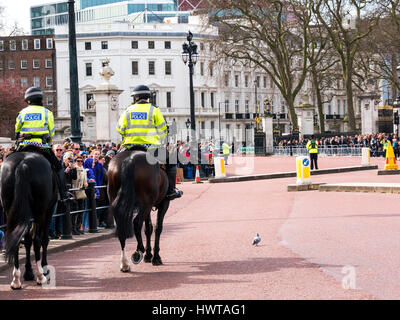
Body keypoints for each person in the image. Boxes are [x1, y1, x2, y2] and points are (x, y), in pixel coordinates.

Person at [116, 84, 182, 200]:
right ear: (147, 97)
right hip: (151, 147)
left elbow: (120, 129)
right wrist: (159, 140)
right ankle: (171, 190)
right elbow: (163, 130)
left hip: (129, 146)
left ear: (135, 98)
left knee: (115, 162)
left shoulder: (128, 110)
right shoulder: (154, 110)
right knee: (172, 161)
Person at [15, 87, 68, 201]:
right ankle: (64, 194)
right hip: (41, 146)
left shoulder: (22, 113)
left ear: (28, 100)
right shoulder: (47, 112)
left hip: (23, 145)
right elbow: (52, 132)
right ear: (40, 99)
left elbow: (17, 131)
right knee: (59, 168)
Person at [71, 155, 88, 235]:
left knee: (81, 210)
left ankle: (78, 227)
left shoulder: (83, 170)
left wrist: (86, 183)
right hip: (74, 191)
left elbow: (85, 180)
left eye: (81, 161)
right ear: (75, 161)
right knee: (75, 211)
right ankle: (73, 228)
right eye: (78, 161)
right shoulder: (74, 169)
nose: (80, 162)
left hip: (81, 192)